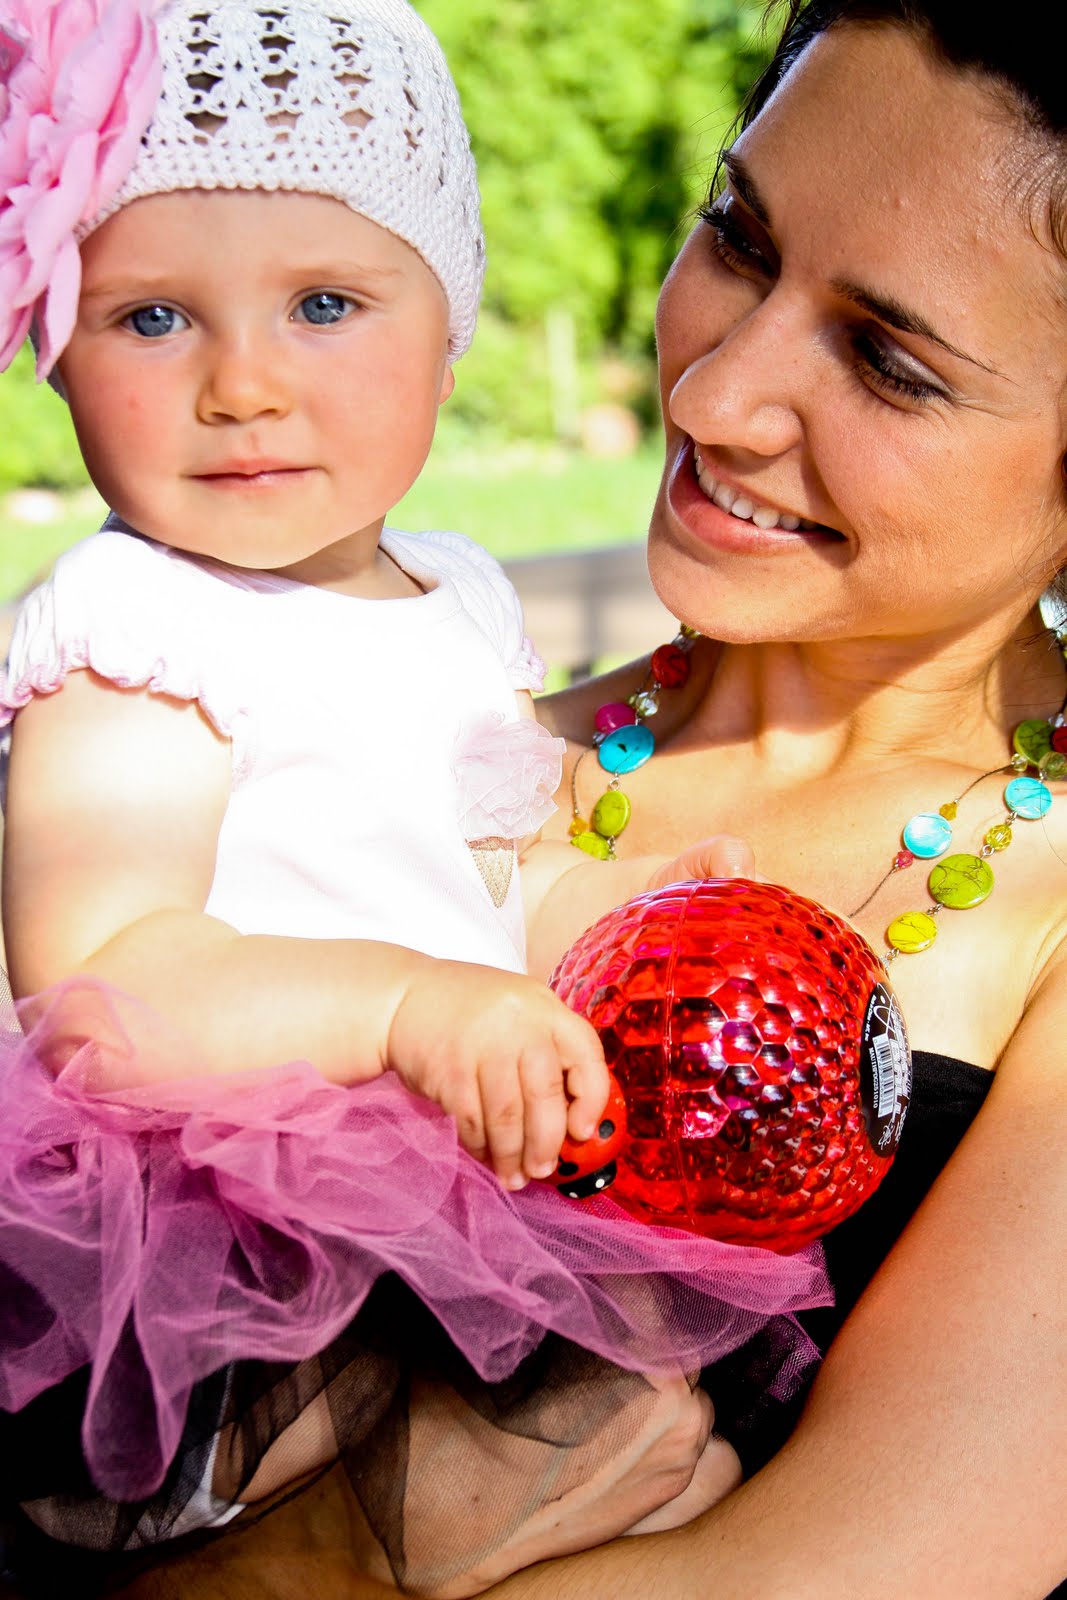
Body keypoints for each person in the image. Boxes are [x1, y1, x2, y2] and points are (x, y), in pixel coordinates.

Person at [84, 0, 1067, 1596]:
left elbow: (841, 1573)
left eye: (890, 363)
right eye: (739, 238)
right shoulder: (420, 740)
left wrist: (326, 1565)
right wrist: (316, 1559)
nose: (716, 395)